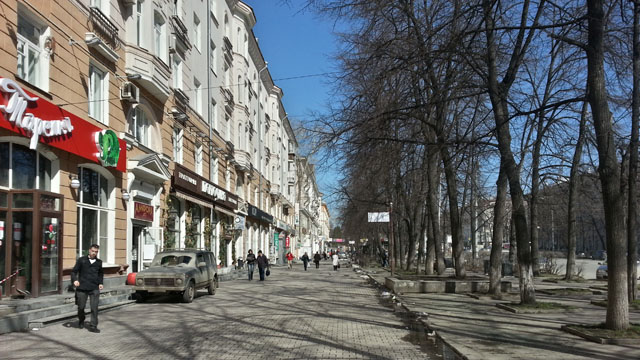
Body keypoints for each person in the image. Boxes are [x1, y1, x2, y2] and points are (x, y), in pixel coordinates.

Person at [71, 244, 104, 333]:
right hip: (82, 287)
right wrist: (75, 280)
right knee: (81, 307)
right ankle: (81, 319)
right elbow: (74, 272)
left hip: (94, 287)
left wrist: (100, 283)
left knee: (94, 307)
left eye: (96, 252)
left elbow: (100, 273)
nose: (94, 253)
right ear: (89, 250)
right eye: (93, 251)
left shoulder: (99, 262)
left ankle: (93, 326)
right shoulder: (82, 260)